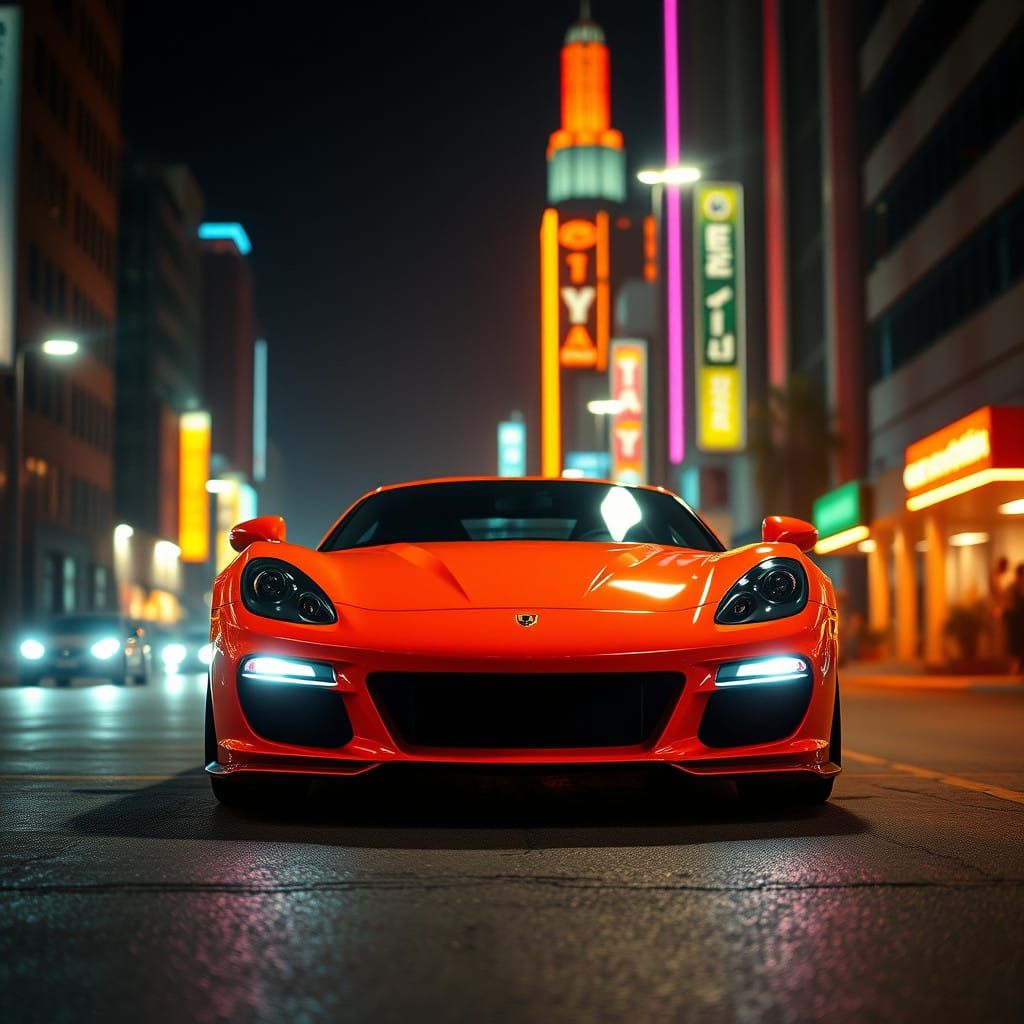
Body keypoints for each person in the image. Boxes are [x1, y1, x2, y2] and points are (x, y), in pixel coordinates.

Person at [990, 556, 1012, 663]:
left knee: (1005, 638)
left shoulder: (1005, 578)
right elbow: (996, 595)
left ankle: (1005, 660)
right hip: (998, 610)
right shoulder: (995, 577)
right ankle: (999, 660)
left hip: (1006, 611)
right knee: (999, 638)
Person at [1008, 563, 1024, 675]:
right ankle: (1015, 670)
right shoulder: (1013, 589)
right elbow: (1010, 606)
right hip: (1017, 624)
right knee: (1016, 647)